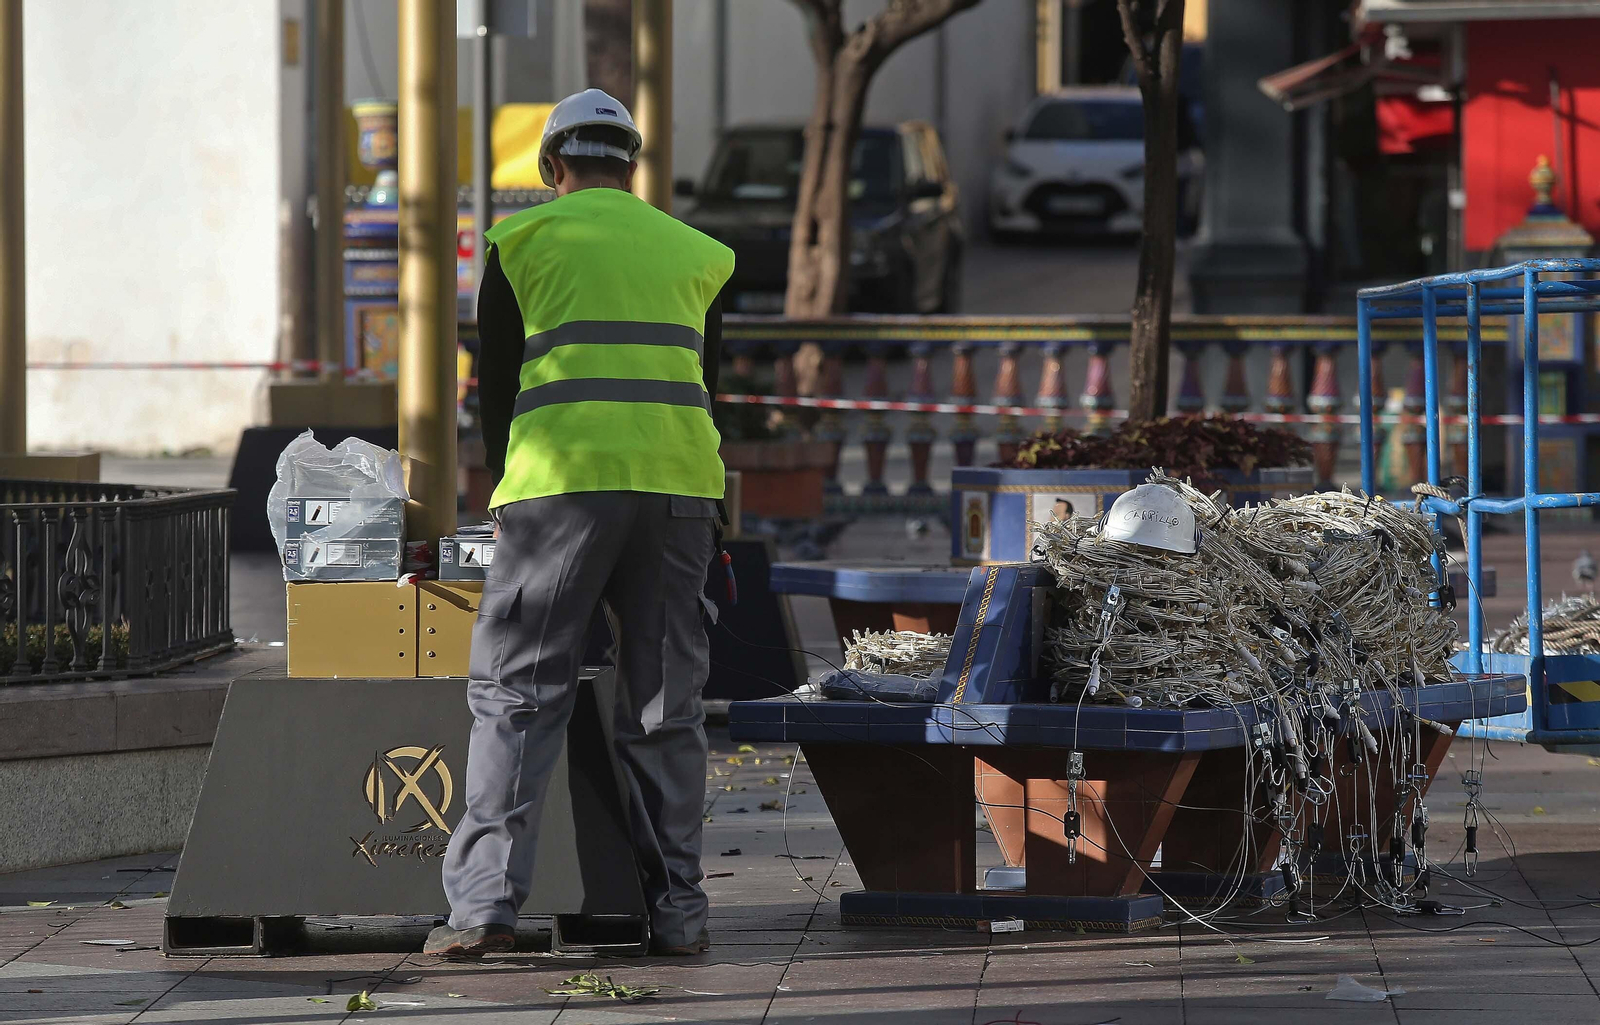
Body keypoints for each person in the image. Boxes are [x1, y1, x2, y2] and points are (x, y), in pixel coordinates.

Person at [425, 88, 733, 959]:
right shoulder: (698, 253)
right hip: (677, 492)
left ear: (551, 166)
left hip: (558, 491)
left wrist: (504, 493)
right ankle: (679, 913)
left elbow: (494, 395)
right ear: (630, 167)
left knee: (518, 693)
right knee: (667, 705)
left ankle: (485, 908)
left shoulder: (519, 243)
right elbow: (708, 386)